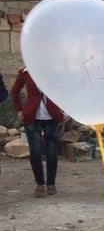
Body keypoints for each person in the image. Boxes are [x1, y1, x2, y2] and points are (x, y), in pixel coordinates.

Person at [11, 67, 64, 197]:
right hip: (32, 117)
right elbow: (14, 91)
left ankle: (51, 183)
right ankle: (40, 183)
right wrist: (19, 110)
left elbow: (66, 91)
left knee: (51, 153)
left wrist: (65, 113)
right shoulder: (26, 72)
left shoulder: (56, 71)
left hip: (52, 117)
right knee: (35, 152)